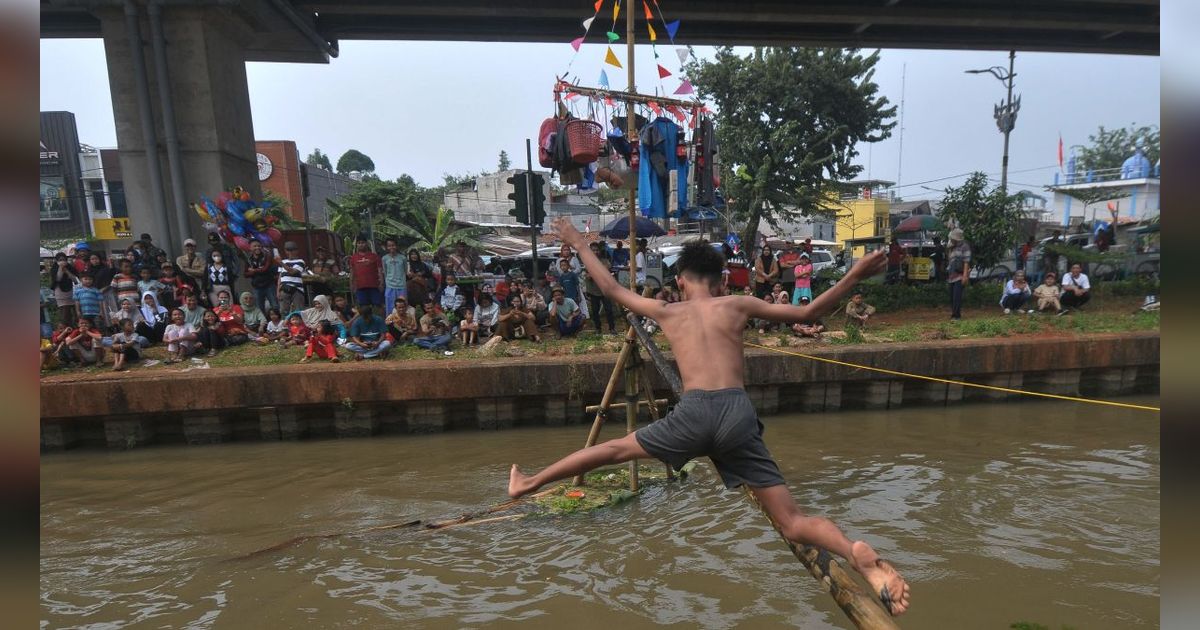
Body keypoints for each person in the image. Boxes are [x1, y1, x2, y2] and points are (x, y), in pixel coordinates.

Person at [508, 219, 908, 616]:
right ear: (720, 283)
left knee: (613, 450)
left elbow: (611, 289)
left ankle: (529, 482)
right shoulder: (737, 304)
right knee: (793, 521)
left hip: (694, 413)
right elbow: (809, 312)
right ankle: (853, 553)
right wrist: (854, 272)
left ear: (681, 281)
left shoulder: (667, 310)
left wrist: (578, 242)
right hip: (737, 413)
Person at [582, 242, 618, 334]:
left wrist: (593, 273)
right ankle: (598, 328)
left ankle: (612, 328)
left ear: (599, 251)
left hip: (605, 290)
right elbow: (588, 276)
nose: (595, 252)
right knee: (595, 311)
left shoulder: (605, 260)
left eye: (597, 250)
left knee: (609, 310)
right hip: (593, 290)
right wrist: (597, 273)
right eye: (593, 250)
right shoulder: (587, 261)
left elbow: (605, 270)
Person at [244, 239, 280, 313]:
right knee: (259, 308)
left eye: (259, 246)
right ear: (250, 248)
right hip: (257, 287)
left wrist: (253, 270)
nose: (257, 247)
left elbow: (265, 269)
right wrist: (256, 271)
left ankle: (278, 323)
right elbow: (245, 274)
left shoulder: (267, 256)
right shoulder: (248, 259)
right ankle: (264, 324)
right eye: (255, 246)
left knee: (275, 306)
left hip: (269, 285)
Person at [349, 235, 384, 309]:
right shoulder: (353, 258)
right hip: (360, 287)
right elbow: (352, 272)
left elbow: (380, 271)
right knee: (363, 308)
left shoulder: (374, 256)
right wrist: (351, 285)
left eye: (363, 243)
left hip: (374, 286)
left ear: (366, 244)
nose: (361, 244)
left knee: (377, 306)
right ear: (357, 245)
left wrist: (381, 283)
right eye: (359, 243)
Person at [946, 228, 971, 320]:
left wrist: (965, 276)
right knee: (952, 297)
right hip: (952, 275)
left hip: (960, 275)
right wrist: (949, 248)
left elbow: (966, 262)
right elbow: (950, 260)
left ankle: (956, 316)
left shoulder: (965, 246)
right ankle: (954, 314)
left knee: (957, 296)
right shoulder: (953, 247)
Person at [277, 241, 308, 316]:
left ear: (297, 251)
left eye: (292, 250)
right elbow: (280, 277)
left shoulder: (301, 261)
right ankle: (285, 326)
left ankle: (300, 326)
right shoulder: (284, 261)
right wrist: (278, 291)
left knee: (299, 310)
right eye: (288, 250)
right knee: (283, 311)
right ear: (285, 251)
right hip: (284, 289)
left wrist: (281, 263)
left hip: (297, 289)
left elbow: (292, 272)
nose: (290, 252)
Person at [51, 253, 79, 326]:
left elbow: (76, 280)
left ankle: (76, 327)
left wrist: (66, 271)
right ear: (56, 261)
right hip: (61, 293)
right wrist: (60, 268)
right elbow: (58, 279)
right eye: (60, 260)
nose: (62, 261)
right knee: (65, 314)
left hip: (72, 292)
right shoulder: (54, 268)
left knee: (76, 312)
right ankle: (66, 329)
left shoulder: (70, 267)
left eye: (64, 260)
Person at [381, 237, 409, 309]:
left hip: (401, 285)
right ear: (386, 247)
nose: (391, 247)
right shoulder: (384, 258)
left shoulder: (403, 258)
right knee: (390, 306)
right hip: (390, 286)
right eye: (389, 246)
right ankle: (390, 320)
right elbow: (385, 272)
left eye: (393, 245)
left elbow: (405, 271)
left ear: (396, 246)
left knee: (402, 306)